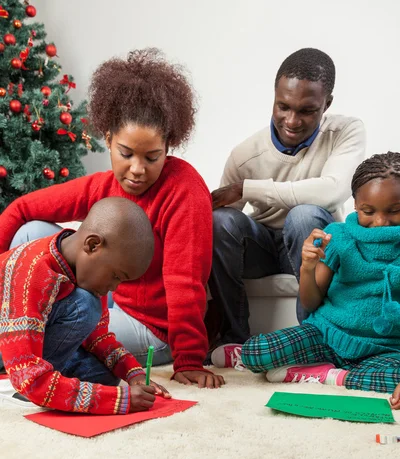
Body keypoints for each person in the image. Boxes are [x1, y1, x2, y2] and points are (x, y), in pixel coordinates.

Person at [0, 48, 224, 389]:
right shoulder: (103, 187)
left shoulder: (184, 191)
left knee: (71, 320)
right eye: (126, 154)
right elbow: (22, 209)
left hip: (149, 329)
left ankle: (22, 356)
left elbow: (185, 282)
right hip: (105, 305)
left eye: (152, 157)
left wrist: (190, 359)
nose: (137, 169)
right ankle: (21, 344)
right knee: (32, 232)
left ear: (169, 146)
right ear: (108, 139)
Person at [209, 48, 366, 369]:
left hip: (315, 241)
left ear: (328, 104)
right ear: (274, 97)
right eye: (283, 107)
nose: (292, 121)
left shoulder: (346, 132)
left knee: (304, 215)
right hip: (263, 249)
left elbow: (333, 189)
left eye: (307, 110)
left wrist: (249, 188)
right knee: (220, 221)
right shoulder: (246, 154)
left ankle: (312, 339)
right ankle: (233, 337)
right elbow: (222, 220)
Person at [241, 152, 400, 409]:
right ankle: (332, 369)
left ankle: (329, 376)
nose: (380, 222)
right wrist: (308, 266)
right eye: (368, 211)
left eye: (395, 211)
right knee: (255, 353)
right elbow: (310, 302)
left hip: (386, 351)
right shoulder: (338, 236)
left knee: (395, 378)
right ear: (356, 205)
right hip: (328, 336)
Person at [0, 197, 175, 413]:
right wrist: (118, 401)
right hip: (11, 353)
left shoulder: (88, 274)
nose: (114, 288)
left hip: (35, 342)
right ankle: (15, 387)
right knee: (86, 306)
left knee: (105, 376)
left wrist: (134, 374)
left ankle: (46, 379)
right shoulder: (32, 273)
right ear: (92, 245)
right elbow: (27, 372)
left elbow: (99, 337)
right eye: (115, 276)